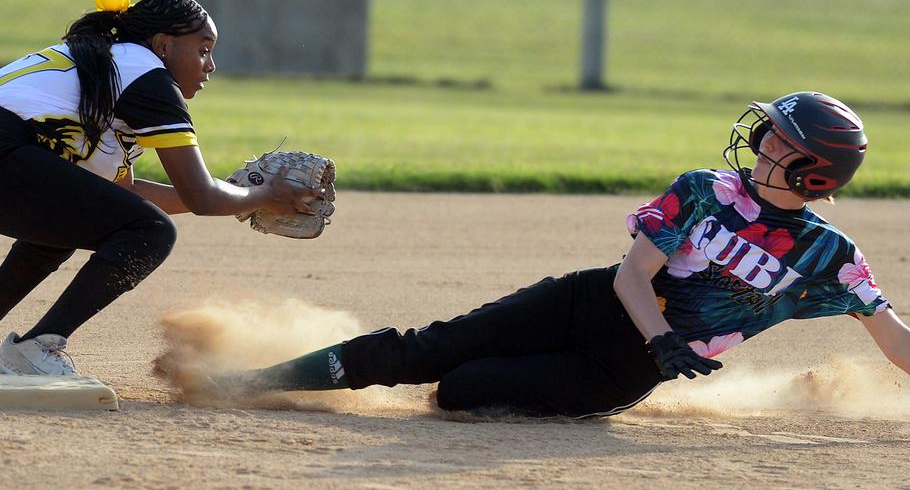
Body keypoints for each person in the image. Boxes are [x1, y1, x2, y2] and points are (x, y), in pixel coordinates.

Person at [202, 92, 910, 418]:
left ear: (815, 173)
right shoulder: (704, 190)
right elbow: (636, 274)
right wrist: (665, 337)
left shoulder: (829, 257)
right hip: (593, 301)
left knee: (461, 390)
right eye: (768, 133)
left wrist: (657, 350)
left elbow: (892, 338)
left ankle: (474, 382)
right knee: (424, 349)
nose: (762, 144)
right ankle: (249, 382)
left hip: (618, 370)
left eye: (781, 143)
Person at [0, 0, 317, 376]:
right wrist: (261, 196)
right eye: (203, 49)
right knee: (152, 232)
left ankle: (31, 350)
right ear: (163, 45)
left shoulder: (107, 61)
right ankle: (37, 349)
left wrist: (232, 191)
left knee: (69, 223)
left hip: (9, 153)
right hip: (7, 153)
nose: (211, 65)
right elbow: (202, 199)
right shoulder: (146, 75)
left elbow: (121, 191)